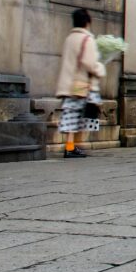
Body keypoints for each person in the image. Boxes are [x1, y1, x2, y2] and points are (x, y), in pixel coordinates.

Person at [55, 8, 106, 159]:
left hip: (69, 82)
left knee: (72, 114)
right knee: (82, 116)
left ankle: (71, 146)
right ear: (87, 22)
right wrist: (100, 68)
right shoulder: (87, 39)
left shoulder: (69, 38)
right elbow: (89, 63)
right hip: (82, 84)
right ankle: (73, 147)